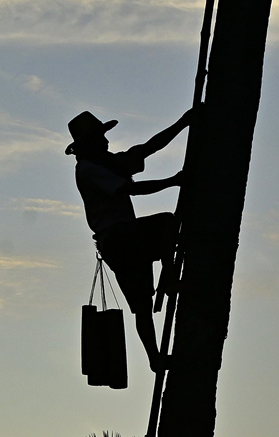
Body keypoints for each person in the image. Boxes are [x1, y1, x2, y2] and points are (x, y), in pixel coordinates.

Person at [67, 108, 191, 372]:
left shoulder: (107, 163)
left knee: (142, 306)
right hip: (118, 239)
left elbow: (148, 148)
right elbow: (129, 189)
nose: (107, 141)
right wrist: (174, 181)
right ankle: (168, 275)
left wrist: (182, 123)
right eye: (101, 137)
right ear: (89, 144)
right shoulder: (88, 169)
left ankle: (155, 357)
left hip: (123, 239)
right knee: (166, 224)